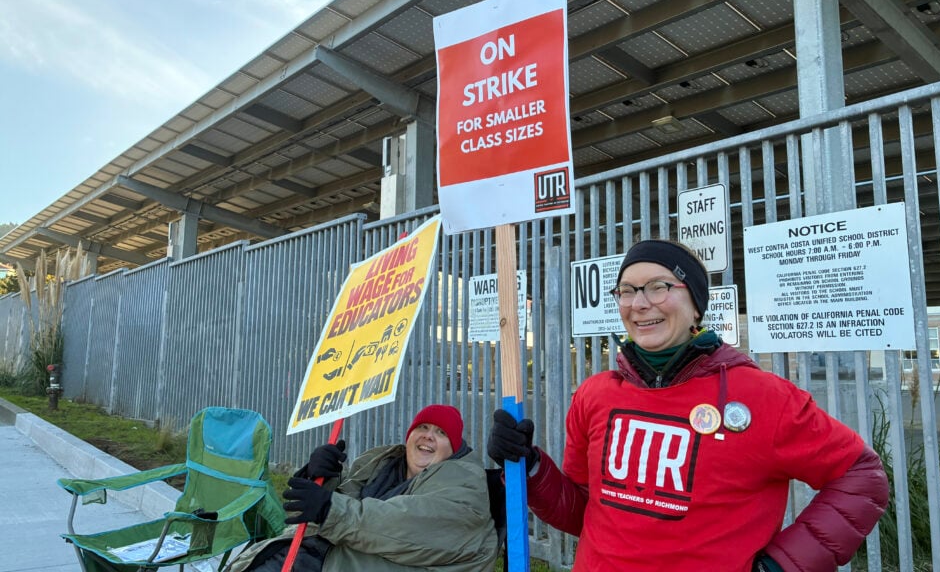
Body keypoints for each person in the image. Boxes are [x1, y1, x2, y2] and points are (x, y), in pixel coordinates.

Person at [488, 239, 889, 572]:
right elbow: (583, 512)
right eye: (626, 290)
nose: (639, 303)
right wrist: (529, 466)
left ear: (696, 304)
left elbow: (861, 476)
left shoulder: (764, 397)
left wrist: (782, 566)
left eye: (658, 286)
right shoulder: (594, 395)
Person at [228, 404, 498, 572]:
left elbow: (403, 525)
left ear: (454, 448)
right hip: (317, 555)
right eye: (423, 427)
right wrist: (321, 477)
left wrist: (329, 509)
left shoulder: (464, 483)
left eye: (441, 433)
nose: (428, 435)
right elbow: (341, 503)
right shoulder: (382, 463)